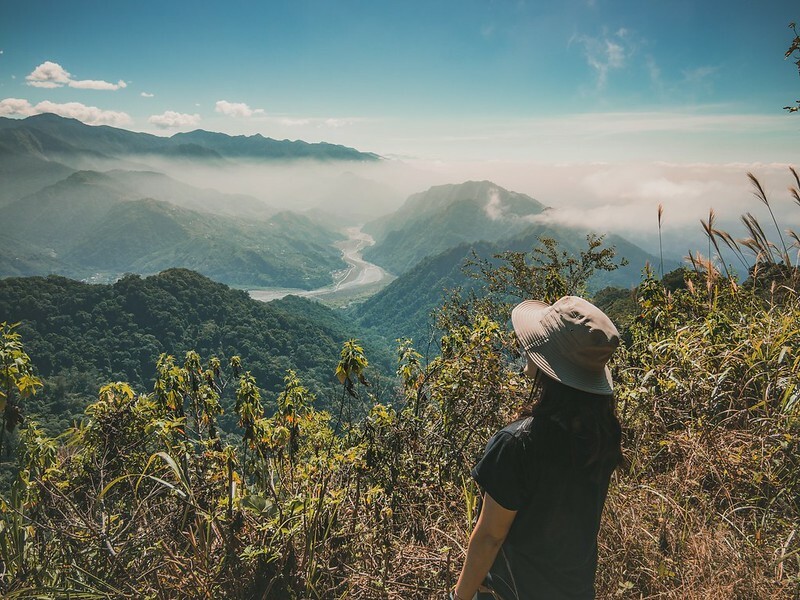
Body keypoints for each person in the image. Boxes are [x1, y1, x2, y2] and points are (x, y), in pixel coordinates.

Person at [452, 296, 623, 600]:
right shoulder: (603, 434)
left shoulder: (518, 444)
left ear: (549, 364)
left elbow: (490, 536)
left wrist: (459, 597)